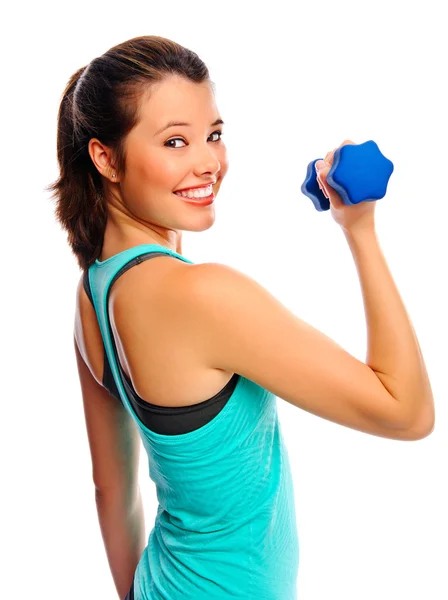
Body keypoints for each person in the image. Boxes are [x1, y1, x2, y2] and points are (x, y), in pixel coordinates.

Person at [46, 35, 435, 600]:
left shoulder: (94, 292)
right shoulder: (201, 296)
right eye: (175, 141)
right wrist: (361, 230)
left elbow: (112, 489)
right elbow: (408, 412)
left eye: (214, 135)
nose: (208, 162)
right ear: (105, 157)